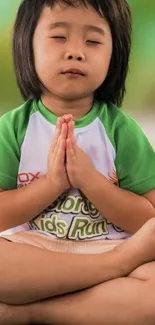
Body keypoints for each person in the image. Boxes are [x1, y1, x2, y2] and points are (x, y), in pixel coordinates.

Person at [0, 0, 155, 324]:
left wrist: (91, 182)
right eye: (59, 37)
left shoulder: (120, 129)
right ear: (27, 45)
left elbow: (148, 220)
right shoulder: (12, 127)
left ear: (114, 56)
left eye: (94, 41)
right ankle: (100, 289)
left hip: (106, 248)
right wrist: (52, 184)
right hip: (33, 252)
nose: (75, 52)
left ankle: (27, 311)